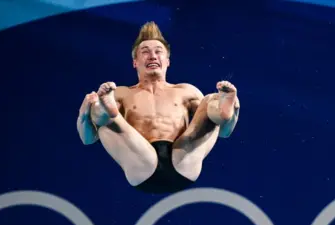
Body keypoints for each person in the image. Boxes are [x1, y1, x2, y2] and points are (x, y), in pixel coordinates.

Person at [76, 21, 240, 193]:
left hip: (183, 158)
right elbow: (87, 138)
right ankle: (107, 111)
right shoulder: (122, 93)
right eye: (145, 52)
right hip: (141, 162)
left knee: (209, 101)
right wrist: (84, 114)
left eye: (158, 52)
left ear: (167, 61)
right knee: (105, 116)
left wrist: (234, 110)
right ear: (135, 62)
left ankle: (224, 106)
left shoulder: (186, 91)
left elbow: (224, 131)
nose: (152, 56)